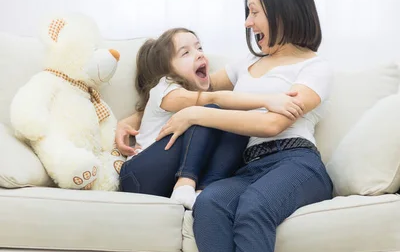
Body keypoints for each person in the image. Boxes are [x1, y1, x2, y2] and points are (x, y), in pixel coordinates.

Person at [155, 0, 333, 252]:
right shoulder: (244, 66)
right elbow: (185, 90)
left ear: (283, 10)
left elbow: (273, 125)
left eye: (254, 12)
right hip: (250, 166)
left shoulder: (315, 68)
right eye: (247, 12)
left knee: (253, 207)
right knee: (211, 202)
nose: (248, 22)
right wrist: (132, 114)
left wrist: (202, 111)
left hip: (297, 162)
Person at [118, 27, 304, 210]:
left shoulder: (189, 94)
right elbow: (214, 99)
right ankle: (185, 183)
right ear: (167, 70)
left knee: (236, 125)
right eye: (186, 53)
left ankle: (203, 192)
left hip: (164, 180)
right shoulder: (165, 87)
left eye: (199, 48)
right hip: (139, 176)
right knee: (207, 113)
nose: (199, 54)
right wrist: (268, 101)